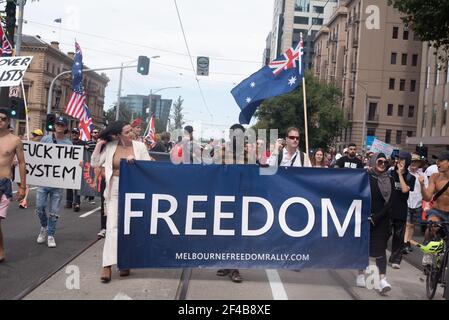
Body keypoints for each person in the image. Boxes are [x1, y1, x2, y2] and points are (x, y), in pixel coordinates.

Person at [91, 121, 152, 283]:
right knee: (111, 226)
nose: (131, 133)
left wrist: (135, 162)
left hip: (134, 191)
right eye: (127, 132)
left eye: (131, 130)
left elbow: (148, 167)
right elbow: (95, 163)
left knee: (129, 227)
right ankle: (107, 265)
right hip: (115, 189)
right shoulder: (110, 146)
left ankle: (125, 261)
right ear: (118, 134)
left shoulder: (139, 147)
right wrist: (99, 145)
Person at [357, 153, 393, 295]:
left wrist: (377, 217)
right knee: (363, 247)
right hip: (364, 217)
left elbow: (390, 202)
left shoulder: (389, 179)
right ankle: (360, 273)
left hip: (381, 220)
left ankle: (382, 280)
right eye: (380, 161)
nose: (382, 164)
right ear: (373, 161)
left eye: (385, 162)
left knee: (380, 250)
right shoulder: (364, 176)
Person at [36, 116, 72, 248]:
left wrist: (78, 164)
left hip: (58, 183)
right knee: (39, 207)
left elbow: (70, 163)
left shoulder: (69, 144)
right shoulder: (45, 139)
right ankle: (44, 227)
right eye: (58, 124)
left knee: (54, 211)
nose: (59, 126)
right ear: (55, 125)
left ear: (66, 127)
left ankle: (50, 234)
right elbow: (37, 157)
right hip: (44, 181)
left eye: (62, 125)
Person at [0, 109, 26, 263]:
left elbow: (22, 163)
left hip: (3, 184)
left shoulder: (15, 140)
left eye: (3, 118)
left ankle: (1, 248)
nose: (0, 121)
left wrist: (22, 187)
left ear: (8, 121)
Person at [419, 151, 449, 266]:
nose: (437, 163)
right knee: (433, 226)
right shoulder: (435, 177)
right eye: (437, 160)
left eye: (441, 161)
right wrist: (422, 186)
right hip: (437, 211)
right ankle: (427, 251)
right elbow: (427, 197)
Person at [388, 151, 414, 269]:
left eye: (403, 160)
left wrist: (399, 175)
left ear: (407, 162)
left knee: (398, 236)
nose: (400, 162)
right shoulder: (389, 173)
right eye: (399, 159)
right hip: (388, 208)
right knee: (386, 232)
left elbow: (404, 190)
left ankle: (396, 259)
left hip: (401, 210)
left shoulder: (410, 177)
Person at [403, 154, 427, 254]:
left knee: (412, 225)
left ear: (419, 164)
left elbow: (426, 189)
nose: (413, 164)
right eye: (412, 162)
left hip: (417, 203)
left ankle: (408, 241)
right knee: (407, 224)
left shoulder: (423, 175)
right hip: (406, 202)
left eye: (416, 162)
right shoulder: (405, 173)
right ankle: (405, 243)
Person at [19, 129, 44, 209]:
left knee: (41, 185)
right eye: (34, 134)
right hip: (29, 166)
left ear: (40, 136)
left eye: (36, 135)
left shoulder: (44, 145)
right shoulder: (29, 143)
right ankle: (24, 200)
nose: (34, 136)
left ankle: (40, 200)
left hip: (40, 168)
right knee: (27, 184)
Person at [66, 128, 86, 212]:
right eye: (73, 133)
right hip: (69, 167)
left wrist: (84, 162)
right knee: (68, 185)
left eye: (76, 133)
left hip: (79, 167)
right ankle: (69, 202)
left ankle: (77, 203)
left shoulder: (83, 143)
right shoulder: (68, 143)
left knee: (77, 186)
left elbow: (87, 155)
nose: (74, 134)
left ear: (79, 134)